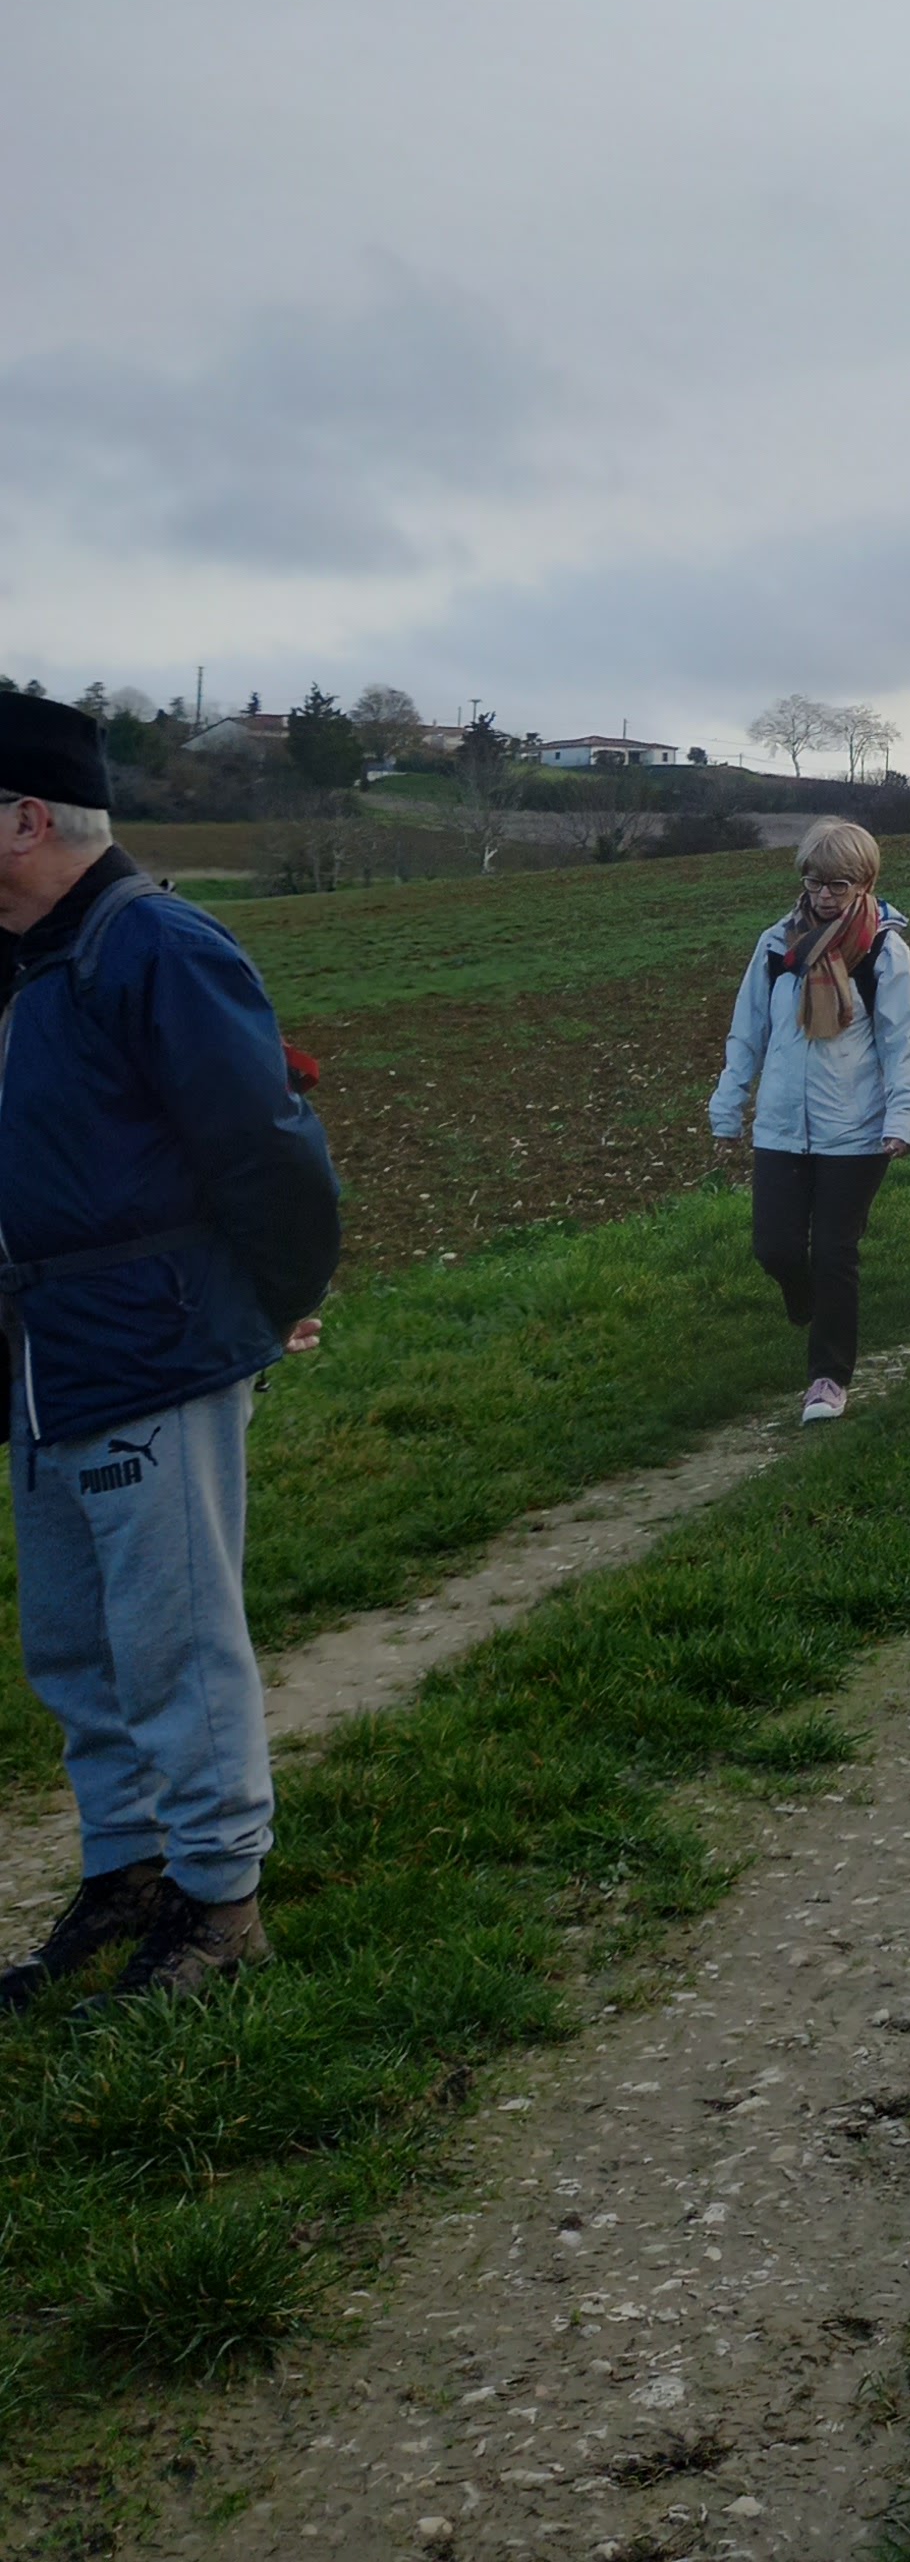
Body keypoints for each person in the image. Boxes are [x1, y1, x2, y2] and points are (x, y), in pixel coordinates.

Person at [0, 693, 339, 2014]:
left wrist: (267, 1307)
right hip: (47, 1366)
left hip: (155, 1355)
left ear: (27, 819)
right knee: (75, 1647)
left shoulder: (154, 948)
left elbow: (270, 1153)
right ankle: (128, 1873)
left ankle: (218, 1901)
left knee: (174, 1644)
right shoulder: (24, 964)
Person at [710, 818, 910, 1425]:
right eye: (814, 882)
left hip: (856, 1131)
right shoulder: (776, 946)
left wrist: (903, 1115)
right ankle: (804, 1298)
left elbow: (901, 1040)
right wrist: (729, 1104)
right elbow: (748, 1030)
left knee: (834, 1251)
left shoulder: (882, 950)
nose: (824, 896)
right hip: (781, 1127)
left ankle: (828, 1378)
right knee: (775, 1248)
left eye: (838, 885)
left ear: (864, 884)